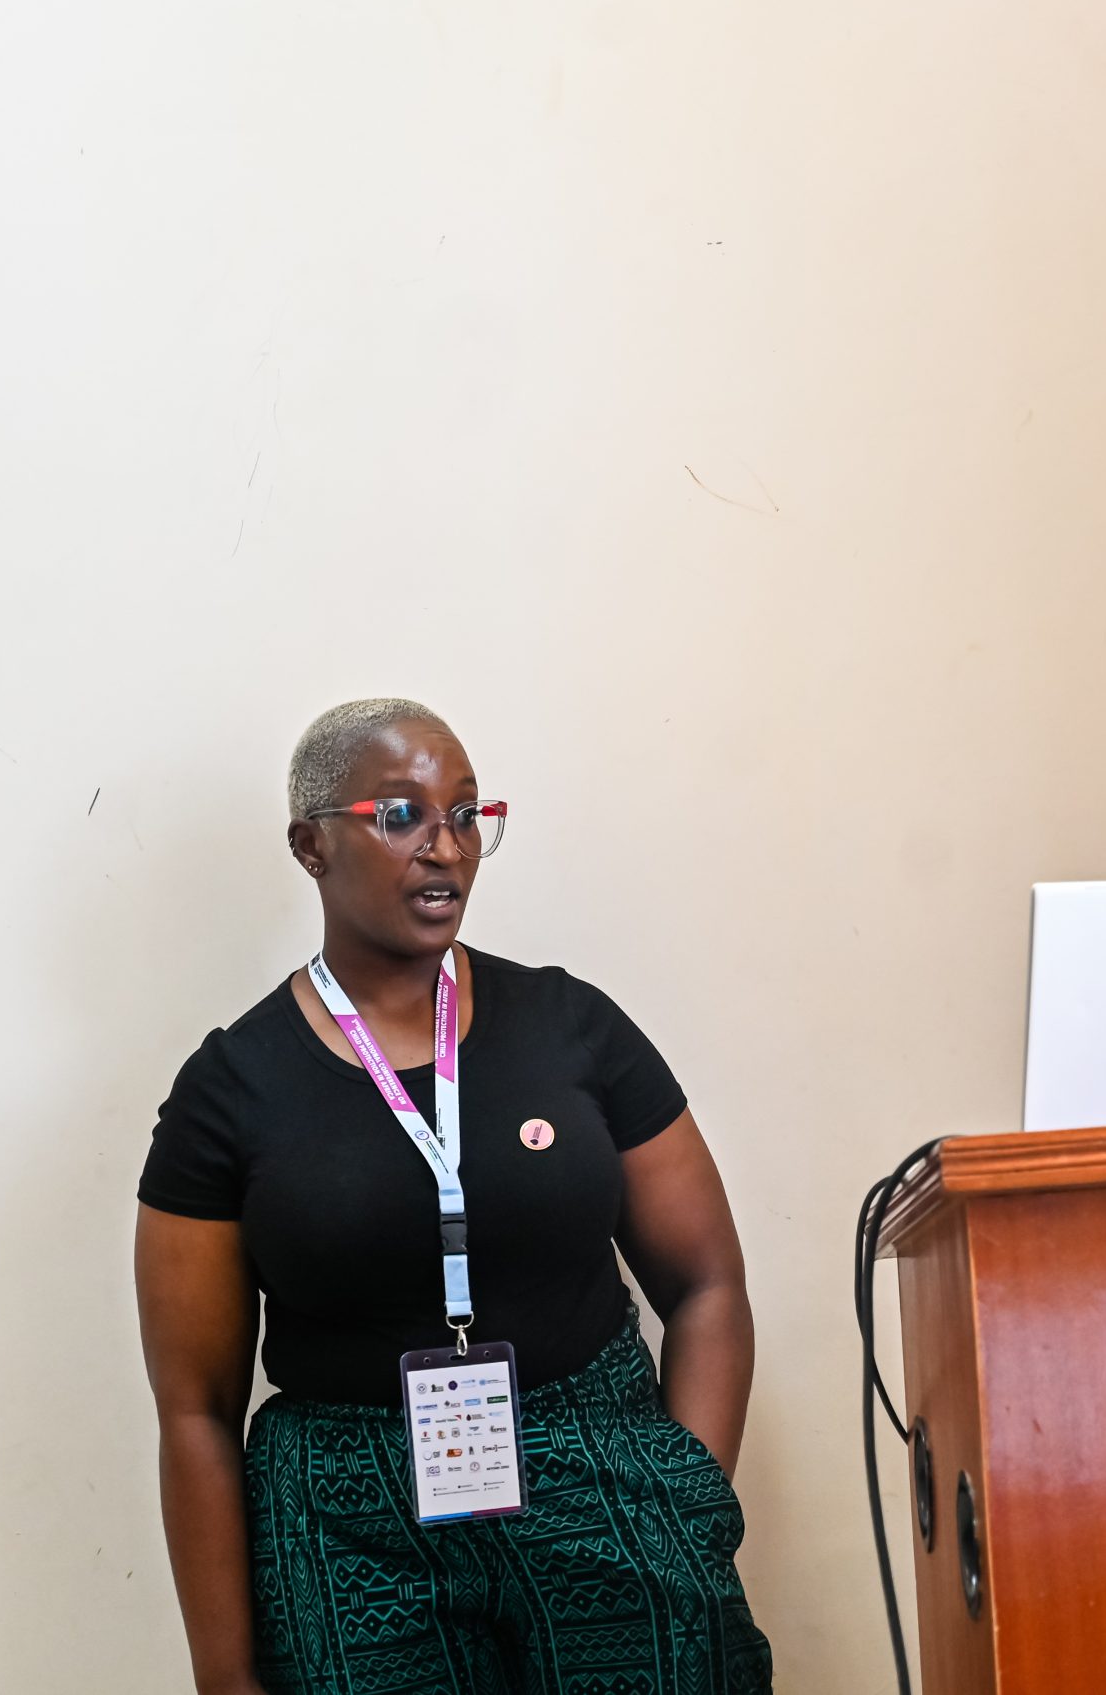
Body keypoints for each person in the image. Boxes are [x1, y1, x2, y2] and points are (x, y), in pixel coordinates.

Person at [135, 698, 771, 1694]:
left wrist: (684, 1499)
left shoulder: (573, 1027)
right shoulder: (231, 1090)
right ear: (310, 844)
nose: (446, 846)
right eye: (402, 815)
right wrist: (225, 1673)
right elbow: (195, 1411)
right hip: (347, 1519)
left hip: (594, 1464)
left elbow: (706, 1282)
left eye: (468, 814)